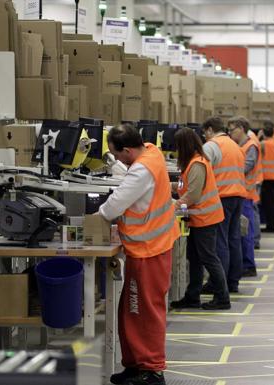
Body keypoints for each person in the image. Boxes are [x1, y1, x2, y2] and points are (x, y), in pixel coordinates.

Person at [98, 123, 180, 385]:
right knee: (132, 311)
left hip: (149, 250)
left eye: (117, 154)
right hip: (152, 247)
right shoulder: (151, 153)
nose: (119, 158)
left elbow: (112, 207)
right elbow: (134, 176)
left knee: (144, 311)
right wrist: (112, 164)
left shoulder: (141, 170)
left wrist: (92, 220)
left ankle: (152, 370)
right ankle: (135, 366)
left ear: (128, 150)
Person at [169, 128, 230, 311]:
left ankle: (222, 298)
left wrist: (174, 206)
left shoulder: (197, 164)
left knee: (209, 258)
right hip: (198, 218)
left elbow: (193, 195)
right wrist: (166, 184)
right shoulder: (191, 163)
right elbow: (184, 186)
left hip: (206, 218)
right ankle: (192, 297)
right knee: (194, 258)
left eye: (178, 146)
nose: (176, 150)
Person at [201, 117, 246, 294]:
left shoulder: (212, 146)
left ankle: (219, 283)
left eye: (205, 133)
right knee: (233, 239)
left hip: (221, 196)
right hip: (237, 195)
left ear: (210, 130)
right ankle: (233, 281)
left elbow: (201, 171)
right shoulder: (235, 145)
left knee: (220, 241)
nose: (205, 137)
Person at [228, 116, 260, 277]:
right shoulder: (239, 145)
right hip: (240, 193)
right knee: (240, 232)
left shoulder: (251, 145)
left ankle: (248, 265)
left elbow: (248, 165)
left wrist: (229, 167)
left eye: (232, 129)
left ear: (241, 128)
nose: (230, 133)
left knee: (245, 231)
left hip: (246, 194)